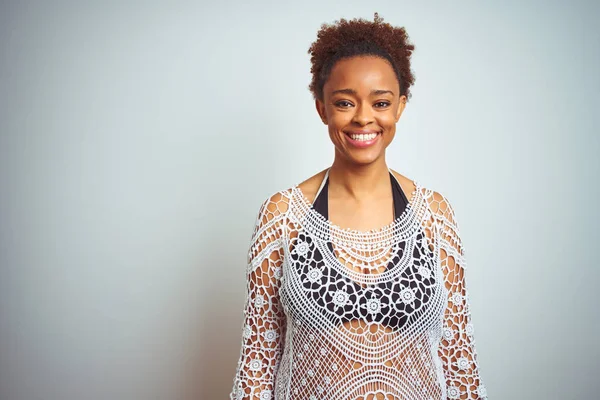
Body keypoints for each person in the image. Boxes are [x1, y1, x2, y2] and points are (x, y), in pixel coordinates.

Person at [229, 12, 487, 400]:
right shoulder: (283, 216)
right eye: (345, 102)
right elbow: (257, 364)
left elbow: (458, 359)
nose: (364, 117)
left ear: (400, 106)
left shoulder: (434, 215)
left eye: (380, 102)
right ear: (322, 109)